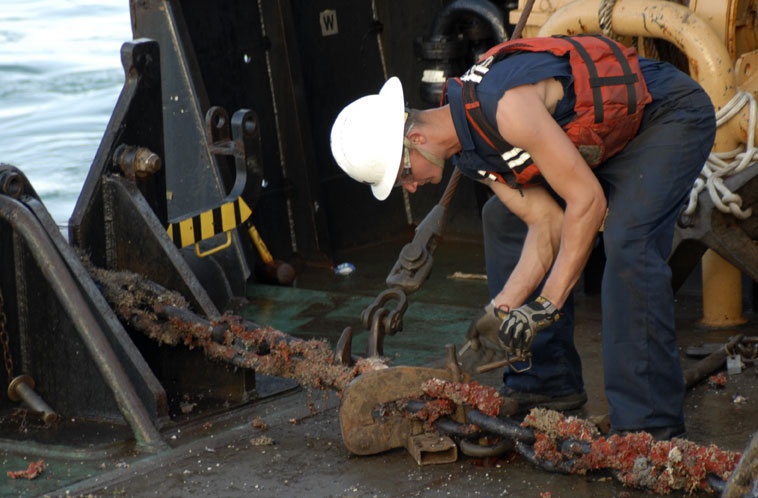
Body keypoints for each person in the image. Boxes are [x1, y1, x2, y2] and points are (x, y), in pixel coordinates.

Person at [330, 34, 716, 440]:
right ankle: (547, 382)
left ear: (417, 140)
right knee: (502, 218)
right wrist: (502, 310)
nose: (410, 188)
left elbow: (587, 202)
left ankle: (647, 427)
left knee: (629, 241)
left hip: (666, 116)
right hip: (604, 142)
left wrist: (547, 303)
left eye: (403, 176)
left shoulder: (507, 108)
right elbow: (545, 223)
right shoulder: (470, 151)